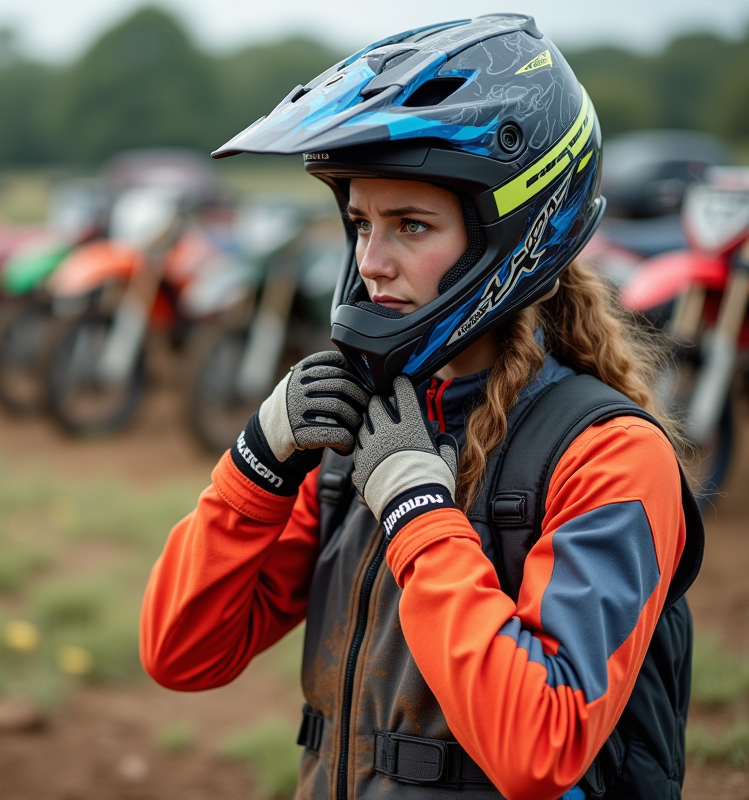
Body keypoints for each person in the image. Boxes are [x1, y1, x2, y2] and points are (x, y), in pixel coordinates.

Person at [140, 14, 704, 800]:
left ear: (511, 231)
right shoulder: (361, 432)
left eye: (410, 225)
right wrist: (255, 467)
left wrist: (419, 516)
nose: (371, 261)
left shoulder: (607, 455)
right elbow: (183, 653)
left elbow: (540, 745)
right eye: (360, 223)